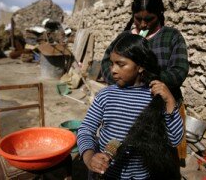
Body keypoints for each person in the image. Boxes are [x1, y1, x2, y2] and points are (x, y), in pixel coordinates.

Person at [77, 32, 184, 180]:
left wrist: (170, 101)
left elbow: (175, 139)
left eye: (121, 64)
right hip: (105, 175)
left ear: (140, 67)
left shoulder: (154, 98)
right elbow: (85, 130)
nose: (113, 70)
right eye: (112, 63)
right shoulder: (106, 96)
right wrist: (90, 158)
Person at [101, 0, 189, 102]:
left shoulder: (171, 36)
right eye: (138, 19)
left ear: (159, 15)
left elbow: (179, 72)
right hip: (124, 102)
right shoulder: (123, 37)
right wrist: (122, 83)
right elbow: (105, 64)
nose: (143, 24)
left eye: (149, 19)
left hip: (161, 103)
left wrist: (144, 79)